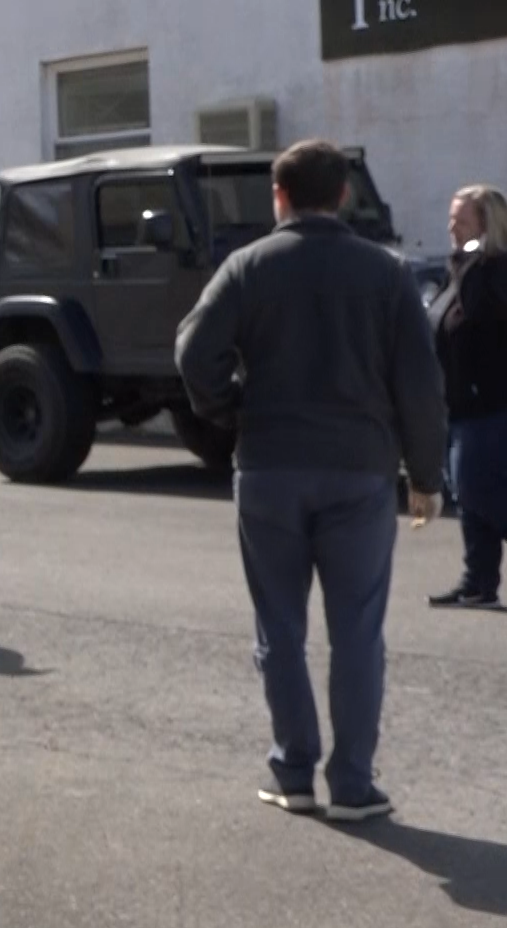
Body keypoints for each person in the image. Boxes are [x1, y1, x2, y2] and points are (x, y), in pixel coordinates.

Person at [175, 139, 446, 824]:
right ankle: (353, 783)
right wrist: (425, 472)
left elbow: (193, 351)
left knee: (281, 627)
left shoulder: (249, 266)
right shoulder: (384, 273)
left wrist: (228, 408)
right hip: (359, 469)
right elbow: (419, 380)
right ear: (345, 195)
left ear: (279, 196)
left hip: (269, 465)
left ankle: (293, 770)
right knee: (357, 631)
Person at [425, 184, 507, 610]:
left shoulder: (491, 271)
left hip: (489, 404)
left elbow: (477, 319)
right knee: (468, 498)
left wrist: (470, 264)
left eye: (462, 219)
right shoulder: (459, 269)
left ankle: (478, 580)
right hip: (458, 404)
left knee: (479, 491)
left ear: (486, 224)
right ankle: (478, 582)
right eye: (451, 217)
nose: (451, 227)